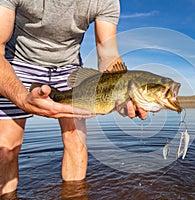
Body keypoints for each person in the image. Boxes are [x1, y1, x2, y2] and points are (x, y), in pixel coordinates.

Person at [0, 0, 147, 196]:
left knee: (75, 142)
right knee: (7, 147)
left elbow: (107, 54)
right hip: (17, 63)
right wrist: (21, 98)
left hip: (68, 69)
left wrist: (123, 90)